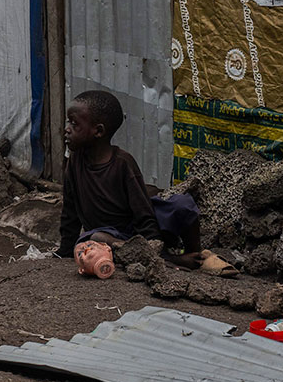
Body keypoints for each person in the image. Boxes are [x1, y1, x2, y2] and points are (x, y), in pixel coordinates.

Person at [56, 89, 213, 277]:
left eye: (74, 124)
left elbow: (143, 212)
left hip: (136, 230)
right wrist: (64, 251)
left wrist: (153, 244)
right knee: (94, 238)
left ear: (98, 131)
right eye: (68, 122)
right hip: (108, 237)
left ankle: (196, 256)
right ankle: (169, 260)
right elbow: (70, 212)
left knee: (183, 205)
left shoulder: (122, 163)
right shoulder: (74, 162)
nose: (67, 129)